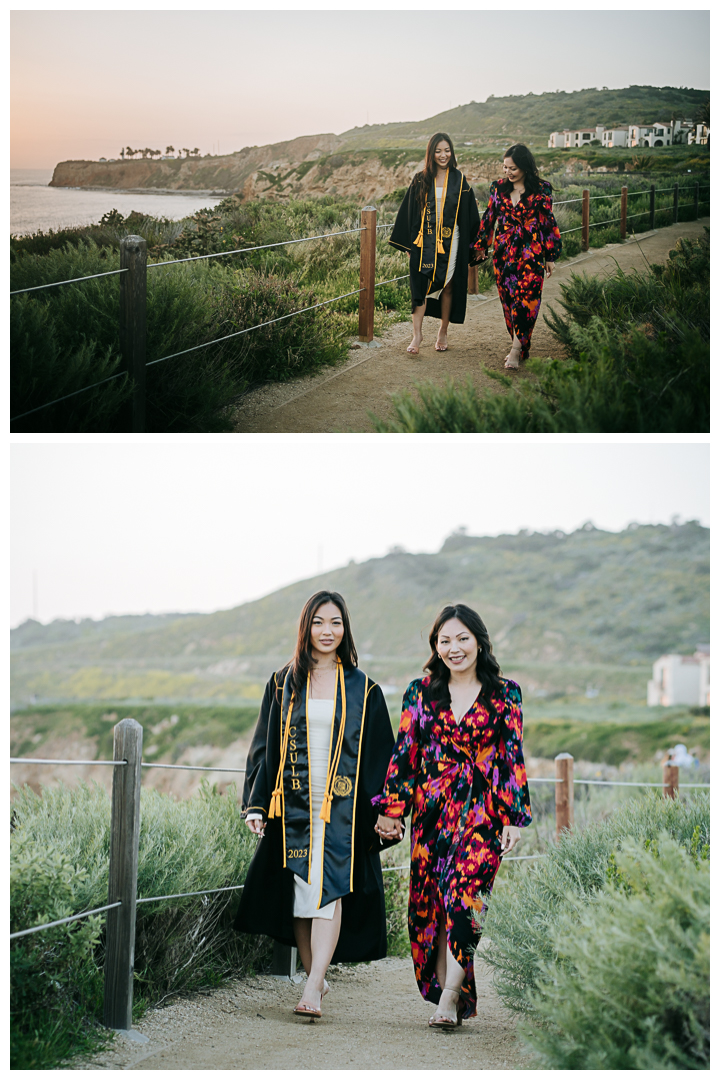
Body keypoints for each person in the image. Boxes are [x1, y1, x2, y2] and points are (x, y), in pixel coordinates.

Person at [234, 590, 399, 1019]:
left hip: (343, 811)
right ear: (305, 626)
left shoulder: (365, 688)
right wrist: (255, 803)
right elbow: (264, 746)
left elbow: (384, 754)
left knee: (328, 892)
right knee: (301, 897)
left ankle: (311, 986)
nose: (328, 632)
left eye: (336, 623)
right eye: (319, 622)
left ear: (346, 629)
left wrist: (388, 809)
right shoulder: (283, 682)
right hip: (293, 806)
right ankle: (316, 976)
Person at [372, 603, 532, 1029]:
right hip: (432, 814)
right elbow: (405, 754)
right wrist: (392, 809)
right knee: (431, 909)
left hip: (482, 813)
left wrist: (514, 816)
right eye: (445, 640)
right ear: (435, 646)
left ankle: (448, 999)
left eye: (462, 638)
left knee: (465, 903)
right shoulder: (419, 692)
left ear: (479, 641)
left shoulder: (505, 693)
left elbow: (510, 756)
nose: (454, 647)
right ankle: (451, 989)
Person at [471, 143, 562, 369]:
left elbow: (548, 223)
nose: (508, 172)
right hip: (504, 254)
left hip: (531, 253)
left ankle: (515, 350)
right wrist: (481, 245)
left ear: (524, 167)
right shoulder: (498, 188)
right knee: (509, 302)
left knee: (527, 301)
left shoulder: (542, 189)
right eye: (505, 167)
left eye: (512, 168)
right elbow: (489, 217)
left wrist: (550, 256)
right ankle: (522, 345)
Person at [389, 132, 480, 355]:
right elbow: (410, 212)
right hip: (424, 240)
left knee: (449, 285)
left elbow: (469, 214)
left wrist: (477, 243)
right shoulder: (421, 179)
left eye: (447, 150)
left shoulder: (459, 180)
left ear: (452, 152)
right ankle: (417, 335)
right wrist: (410, 245)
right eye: (438, 151)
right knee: (419, 286)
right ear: (431, 153)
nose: (443, 155)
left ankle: (443, 331)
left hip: (451, 241)